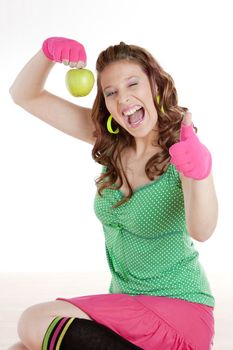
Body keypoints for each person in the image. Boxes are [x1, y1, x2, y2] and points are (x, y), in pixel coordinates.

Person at [8, 37, 218, 350]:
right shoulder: (112, 145)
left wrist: (200, 173)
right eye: (111, 92)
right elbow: (25, 95)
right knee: (22, 347)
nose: (123, 98)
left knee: (34, 322)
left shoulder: (182, 153)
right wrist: (47, 53)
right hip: (127, 305)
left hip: (180, 311)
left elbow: (202, 230)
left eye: (133, 83)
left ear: (155, 87)